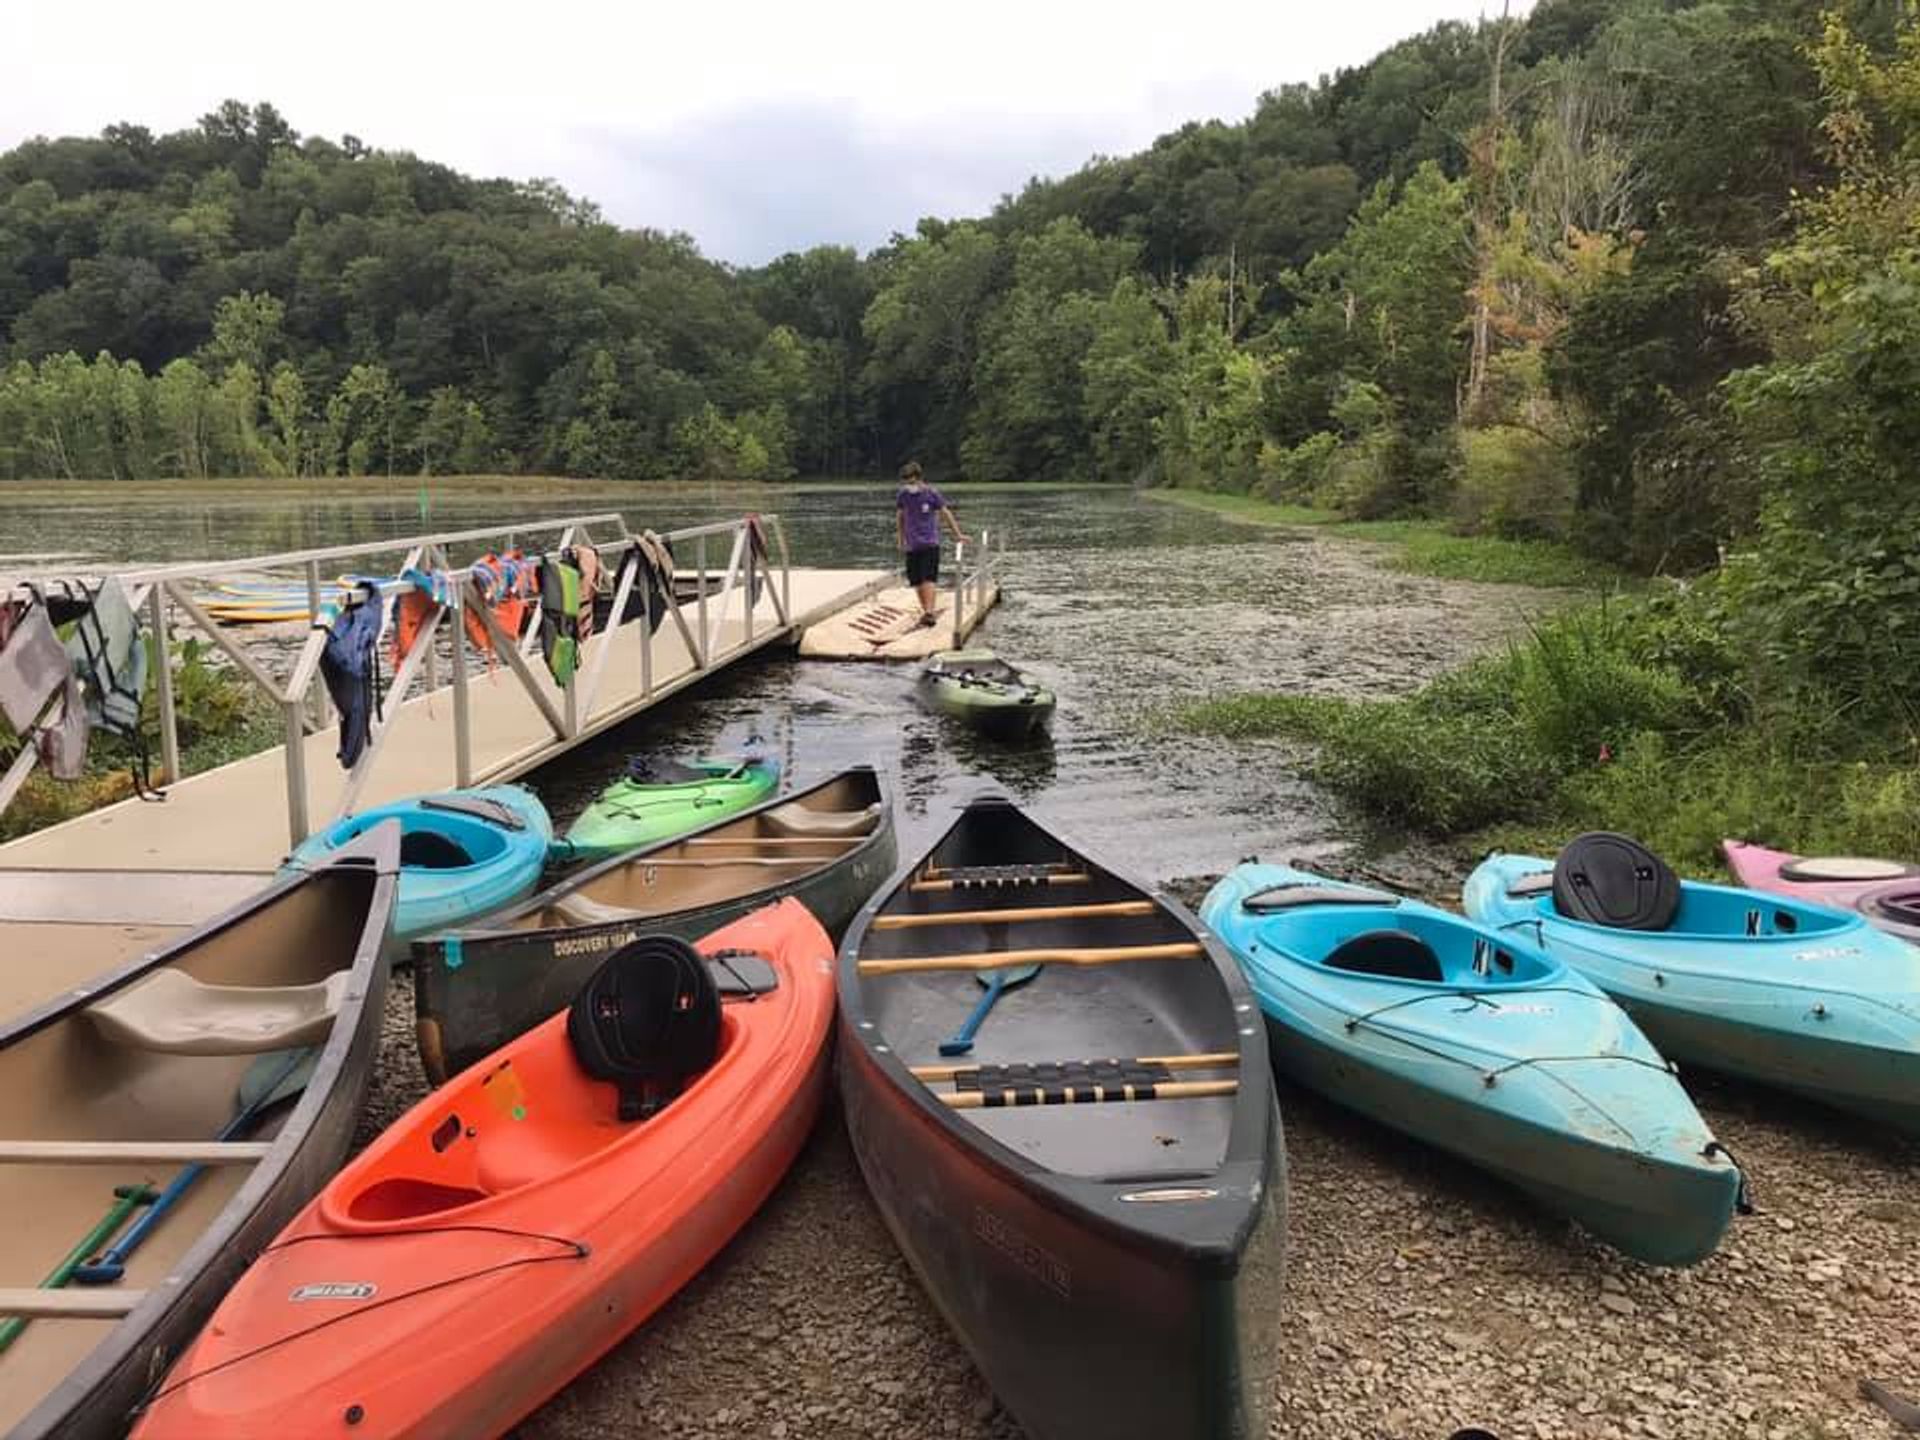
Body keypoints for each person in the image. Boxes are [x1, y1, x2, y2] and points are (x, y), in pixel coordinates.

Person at [895, 460, 966, 626]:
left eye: (912, 481)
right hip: (912, 544)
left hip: (929, 543)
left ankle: (929, 612)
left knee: (928, 579)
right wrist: (900, 538)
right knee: (916, 581)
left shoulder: (931, 494)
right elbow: (900, 516)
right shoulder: (903, 495)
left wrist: (958, 534)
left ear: (919, 478)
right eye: (906, 482)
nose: (909, 485)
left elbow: (945, 513)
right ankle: (925, 611)